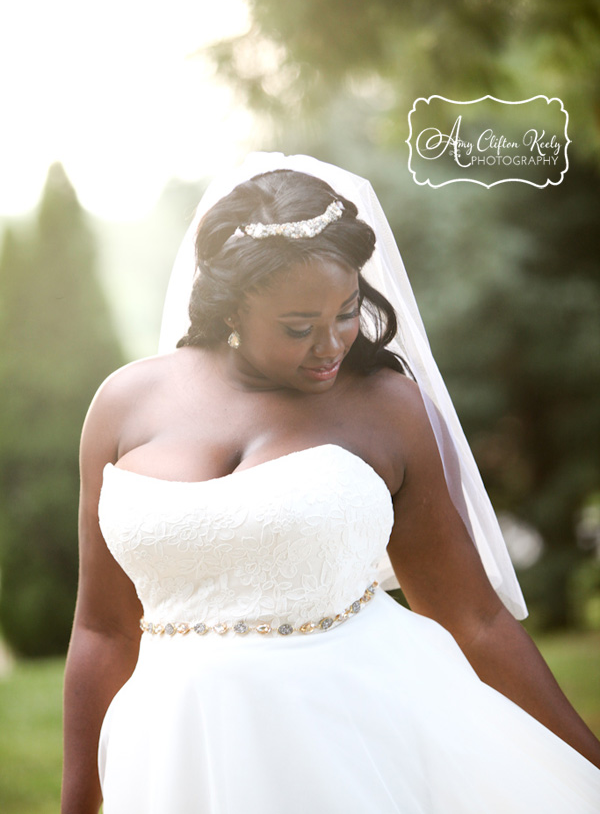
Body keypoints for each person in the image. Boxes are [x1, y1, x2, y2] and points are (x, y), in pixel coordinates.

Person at [62, 153, 600, 814]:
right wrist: (80, 799)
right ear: (230, 308)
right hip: (172, 752)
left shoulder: (389, 409)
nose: (332, 345)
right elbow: (103, 632)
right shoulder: (125, 403)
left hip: (353, 741)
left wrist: (588, 762)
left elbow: (474, 617)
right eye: (299, 328)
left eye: (346, 312)